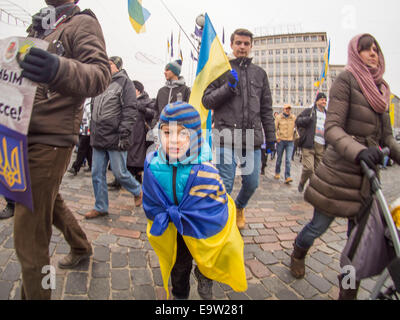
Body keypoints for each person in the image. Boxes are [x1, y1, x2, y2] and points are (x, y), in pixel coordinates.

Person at [290, 34, 400, 300]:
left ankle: (347, 292)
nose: (373, 53)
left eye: (376, 49)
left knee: (356, 248)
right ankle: (298, 251)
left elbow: (386, 138)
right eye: (366, 50)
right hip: (338, 175)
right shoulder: (346, 80)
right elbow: (333, 128)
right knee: (317, 227)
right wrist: (360, 151)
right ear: (355, 53)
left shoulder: (382, 91)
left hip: (367, 181)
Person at [16, 0, 111, 300]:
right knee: (50, 201)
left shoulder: (82, 23)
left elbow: (100, 75)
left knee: (30, 238)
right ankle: (81, 246)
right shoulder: (40, 27)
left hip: (51, 136)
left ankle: (38, 294)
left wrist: (58, 67)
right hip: (22, 131)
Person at [142, 102, 247, 300]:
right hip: (176, 230)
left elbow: (216, 206)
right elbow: (150, 201)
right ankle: (180, 296)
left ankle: (205, 274)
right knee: (179, 268)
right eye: (167, 133)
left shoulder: (206, 169)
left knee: (207, 255)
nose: (173, 140)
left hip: (201, 229)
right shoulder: (153, 166)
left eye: (183, 133)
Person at [202, 28, 276, 230]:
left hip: (251, 138)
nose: (242, 47)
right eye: (238, 43)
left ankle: (239, 206)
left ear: (251, 46)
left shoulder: (260, 74)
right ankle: (222, 220)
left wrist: (271, 139)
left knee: (252, 183)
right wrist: (228, 86)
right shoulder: (220, 70)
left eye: (246, 43)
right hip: (226, 136)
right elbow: (207, 101)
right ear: (232, 45)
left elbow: (266, 109)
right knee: (225, 182)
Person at [85, 56, 142, 219]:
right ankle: (101, 206)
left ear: (117, 66)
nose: (106, 66)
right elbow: (94, 107)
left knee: (119, 172)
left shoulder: (125, 83)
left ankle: (138, 191)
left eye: (109, 63)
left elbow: (130, 109)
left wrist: (124, 133)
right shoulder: (101, 82)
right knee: (97, 173)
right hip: (98, 136)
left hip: (116, 136)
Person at [295, 93, 328, 192]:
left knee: (318, 171)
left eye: (325, 100)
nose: (324, 101)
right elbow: (298, 120)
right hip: (309, 143)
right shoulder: (310, 111)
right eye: (322, 100)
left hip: (321, 145)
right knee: (309, 168)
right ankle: (302, 182)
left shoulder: (328, 114)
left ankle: (313, 189)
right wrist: (307, 120)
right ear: (317, 101)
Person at [127, 80, 156, 184]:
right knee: (127, 156)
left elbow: (153, 113)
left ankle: (137, 177)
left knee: (137, 157)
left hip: (140, 133)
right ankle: (122, 179)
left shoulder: (147, 101)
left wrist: (143, 109)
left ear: (138, 90)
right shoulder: (128, 100)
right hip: (129, 131)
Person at [153, 60, 191, 126]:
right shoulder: (161, 91)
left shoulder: (185, 90)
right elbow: (156, 110)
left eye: (167, 70)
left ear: (175, 71)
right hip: (162, 129)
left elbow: (189, 111)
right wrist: (154, 123)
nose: (165, 72)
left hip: (178, 129)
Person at [68, 98, 93, 175]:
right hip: (84, 127)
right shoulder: (86, 100)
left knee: (82, 148)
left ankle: (75, 167)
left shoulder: (89, 100)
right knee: (87, 149)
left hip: (87, 129)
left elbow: (89, 115)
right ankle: (92, 165)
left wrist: (90, 128)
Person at [274, 104, 297, 184]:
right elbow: (275, 128)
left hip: (290, 141)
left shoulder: (293, 117)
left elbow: (297, 127)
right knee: (279, 158)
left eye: (289, 109)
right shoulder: (279, 117)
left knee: (288, 159)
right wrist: (277, 138)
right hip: (281, 140)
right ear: (283, 109)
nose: (288, 110)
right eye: (286, 109)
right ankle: (277, 172)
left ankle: (287, 176)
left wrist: (295, 136)